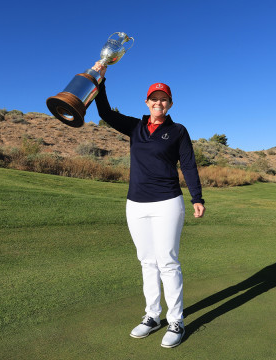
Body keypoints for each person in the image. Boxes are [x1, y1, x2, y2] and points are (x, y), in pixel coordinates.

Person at [92, 62, 205, 348]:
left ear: (169, 103)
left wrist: (197, 197)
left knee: (167, 260)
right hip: (136, 204)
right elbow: (105, 113)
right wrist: (101, 80)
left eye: (163, 99)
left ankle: (176, 319)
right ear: (147, 102)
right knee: (147, 261)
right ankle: (152, 316)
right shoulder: (136, 127)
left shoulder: (178, 131)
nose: (158, 103)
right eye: (154, 99)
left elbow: (189, 165)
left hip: (168, 202)